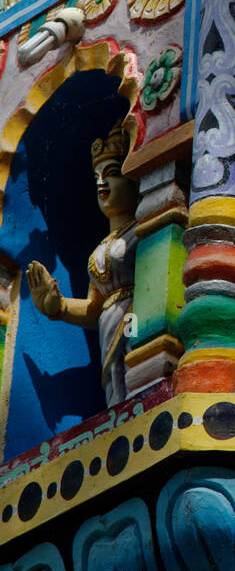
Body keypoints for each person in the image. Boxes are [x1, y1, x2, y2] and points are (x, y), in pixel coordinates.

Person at [27, 118, 138, 406]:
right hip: (109, 326)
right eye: (97, 176)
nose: (102, 182)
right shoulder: (101, 249)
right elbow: (93, 308)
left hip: (137, 322)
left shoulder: (144, 231)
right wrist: (59, 307)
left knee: (135, 376)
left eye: (111, 173)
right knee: (115, 385)